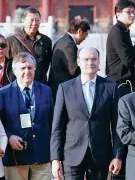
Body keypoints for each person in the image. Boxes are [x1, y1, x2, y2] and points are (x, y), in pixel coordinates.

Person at [51, 47, 124, 180]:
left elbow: (117, 125)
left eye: (94, 59)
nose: (90, 63)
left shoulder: (110, 87)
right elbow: (57, 127)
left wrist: (118, 155)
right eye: (86, 59)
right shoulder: (65, 88)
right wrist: (55, 158)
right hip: (72, 153)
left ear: (99, 61)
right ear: (78, 61)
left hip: (101, 154)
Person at [0, 52, 53, 180]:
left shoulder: (46, 90)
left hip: (42, 157)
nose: (27, 71)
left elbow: (52, 122)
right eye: (23, 68)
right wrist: (9, 137)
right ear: (15, 71)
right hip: (16, 157)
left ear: (35, 69)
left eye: (30, 67)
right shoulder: (4, 93)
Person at [6, 7, 52, 84]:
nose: (34, 23)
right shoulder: (11, 41)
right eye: (31, 20)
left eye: (37, 20)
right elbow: (6, 66)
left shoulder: (46, 41)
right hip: (18, 86)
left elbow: (46, 65)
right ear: (23, 21)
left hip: (39, 85)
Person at [48, 20, 90, 100]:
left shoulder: (62, 41)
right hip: (62, 89)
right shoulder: (69, 44)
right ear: (79, 31)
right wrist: (89, 71)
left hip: (57, 87)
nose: (85, 38)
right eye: (85, 35)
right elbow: (73, 70)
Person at [106, 0, 135, 96]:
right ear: (118, 14)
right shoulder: (117, 31)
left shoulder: (124, 30)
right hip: (120, 81)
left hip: (124, 79)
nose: (132, 15)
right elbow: (127, 59)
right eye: (128, 12)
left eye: (134, 12)